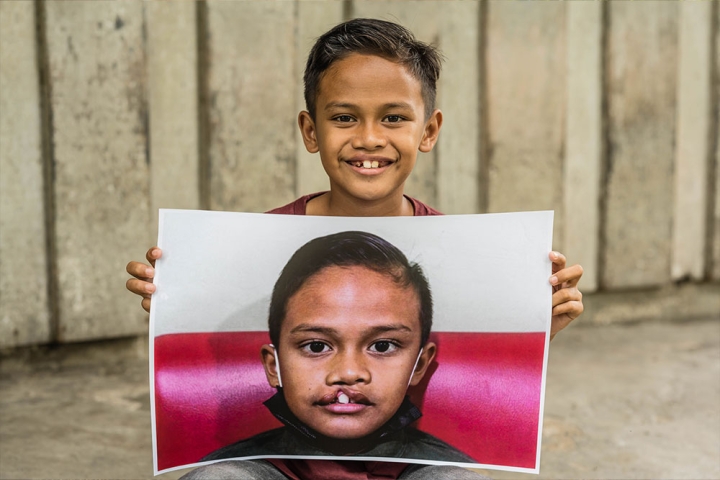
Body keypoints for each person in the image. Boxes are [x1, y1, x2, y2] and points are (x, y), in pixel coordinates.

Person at [127, 18, 583, 480]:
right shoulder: (251, 245)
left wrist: (533, 326)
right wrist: (173, 301)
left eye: (394, 117)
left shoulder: (466, 257)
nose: (368, 138)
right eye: (344, 117)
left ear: (428, 131)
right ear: (310, 131)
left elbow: (484, 369)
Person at [202, 231, 475, 468]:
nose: (348, 372)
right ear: (274, 366)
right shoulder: (220, 472)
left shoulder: (458, 473)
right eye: (317, 346)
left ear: (418, 365)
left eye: (382, 346)